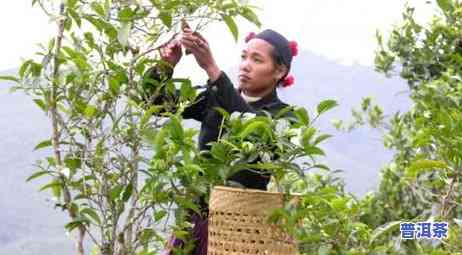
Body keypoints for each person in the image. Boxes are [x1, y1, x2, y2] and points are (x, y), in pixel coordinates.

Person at [143, 28, 298, 255]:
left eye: (257, 60)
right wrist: (165, 67)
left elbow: (255, 133)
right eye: (244, 57)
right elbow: (156, 104)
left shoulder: (284, 117)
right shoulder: (215, 94)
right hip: (195, 216)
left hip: (241, 228)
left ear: (280, 70)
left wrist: (212, 68)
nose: (245, 65)